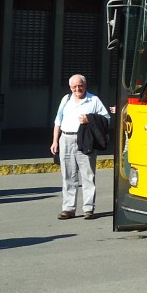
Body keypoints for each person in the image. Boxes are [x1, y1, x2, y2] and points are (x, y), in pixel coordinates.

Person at [50, 74, 110, 220]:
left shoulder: (94, 100)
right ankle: (68, 208)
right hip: (66, 138)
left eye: (80, 86)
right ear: (70, 87)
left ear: (85, 85)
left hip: (85, 140)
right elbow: (58, 121)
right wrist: (55, 141)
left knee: (88, 174)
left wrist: (89, 119)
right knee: (68, 175)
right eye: (74, 87)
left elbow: (106, 119)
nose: (77, 89)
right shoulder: (66, 99)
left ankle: (89, 208)